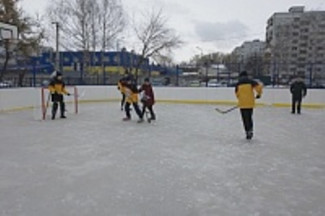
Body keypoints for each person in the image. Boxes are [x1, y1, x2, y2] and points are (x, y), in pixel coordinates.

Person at [235, 71, 263, 140]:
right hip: (250, 103)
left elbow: (237, 93)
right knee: (249, 117)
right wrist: (259, 94)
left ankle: (247, 131)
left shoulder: (238, 83)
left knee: (244, 118)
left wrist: (241, 99)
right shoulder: (251, 81)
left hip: (242, 104)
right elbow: (259, 87)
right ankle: (250, 130)